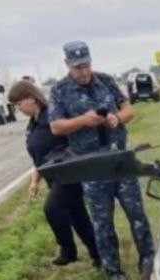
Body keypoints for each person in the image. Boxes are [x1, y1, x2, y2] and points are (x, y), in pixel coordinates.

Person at [48, 40, 155, 280]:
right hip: (92, 165)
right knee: (102, 220)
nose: (84, 72)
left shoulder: (106, 81)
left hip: (118, 159)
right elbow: (56, 126)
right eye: (77, 68)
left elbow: (129, 109)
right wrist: (83, 121)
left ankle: (148, 259)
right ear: (67, 65)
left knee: (136, 213)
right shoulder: (59, 91)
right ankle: (113, 270)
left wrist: (117, 118)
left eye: (86, 65)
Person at [7, 79, 101, 269]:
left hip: (68, 173)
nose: (18, 109)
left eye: (19, 104)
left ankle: (68, 251)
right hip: (52, 176)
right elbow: (38, 156)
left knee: (53, 209)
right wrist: (35, 180)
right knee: (78, 217)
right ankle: (99, 255)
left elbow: (74, 137)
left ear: (31, 98)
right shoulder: (32, 124)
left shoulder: (52, 115)